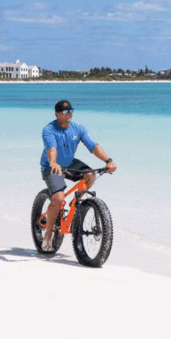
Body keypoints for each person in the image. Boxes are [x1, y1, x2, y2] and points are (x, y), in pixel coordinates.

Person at [39, 100, 117, 251]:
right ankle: (47, 237)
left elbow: (93, 146)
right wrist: (54, 163)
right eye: (64, 111)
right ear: (56, 114)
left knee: (90, 174)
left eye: (70, 111)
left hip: (69, 163)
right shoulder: (48, 129)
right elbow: (51, 148)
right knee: (58, 197)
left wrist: (108, 160)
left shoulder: (78, 128)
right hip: (51, 166)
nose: (68, 114)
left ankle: (76, 204)